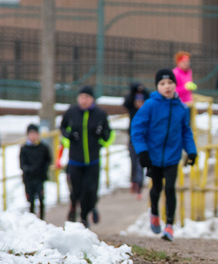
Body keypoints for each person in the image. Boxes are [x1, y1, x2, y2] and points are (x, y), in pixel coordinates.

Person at [131, 68, 198, 242]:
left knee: (170, 188)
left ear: (175, 85)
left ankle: (169, 226)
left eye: (170, 83)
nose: (167, 86)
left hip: (172, 156)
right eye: (162, 83)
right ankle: (154, 212)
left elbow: (186, 131)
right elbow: (137, 129)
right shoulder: (150, 105)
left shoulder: (182, 108)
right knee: (157, 188)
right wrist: (142, 152)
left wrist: (191, 151)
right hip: (153, 156)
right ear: (157, 87)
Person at [60, 85, 115, 228]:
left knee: (90, 190)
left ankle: (85, 216)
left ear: (92, 99)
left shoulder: (100, 114)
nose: (84, 100)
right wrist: (69, 137)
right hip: (75, 160)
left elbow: (109, 132)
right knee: (76, 190)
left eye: (87, 97)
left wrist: (102, 141)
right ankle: (73, 207)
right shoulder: (71, 112)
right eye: (81, 97)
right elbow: (62, 128)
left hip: (93, 160)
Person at [19, 124, 52, 220]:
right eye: (31, 133)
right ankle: (32, 219)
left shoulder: (43, 147)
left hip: (40, 177)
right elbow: (22, 164)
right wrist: (29, 169)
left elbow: (48, 160)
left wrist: (43, 169)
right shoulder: (24, 148)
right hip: (28, 178)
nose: (33, 136)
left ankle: (42, 219)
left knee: (41, 199)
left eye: (35, 133)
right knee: (31, 200)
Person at [123, 82, 149, 196]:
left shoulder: (147, 109)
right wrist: (134, 90)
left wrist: (143, 90)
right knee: (133, 161)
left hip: (144, 138)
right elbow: (126, 102)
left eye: (141, 101)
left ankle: (139, 184)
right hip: (133, 138)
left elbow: (149, 97)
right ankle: (134, 181)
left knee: (140, 162)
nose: (139, 103)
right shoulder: (132, 108)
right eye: (137, 100)